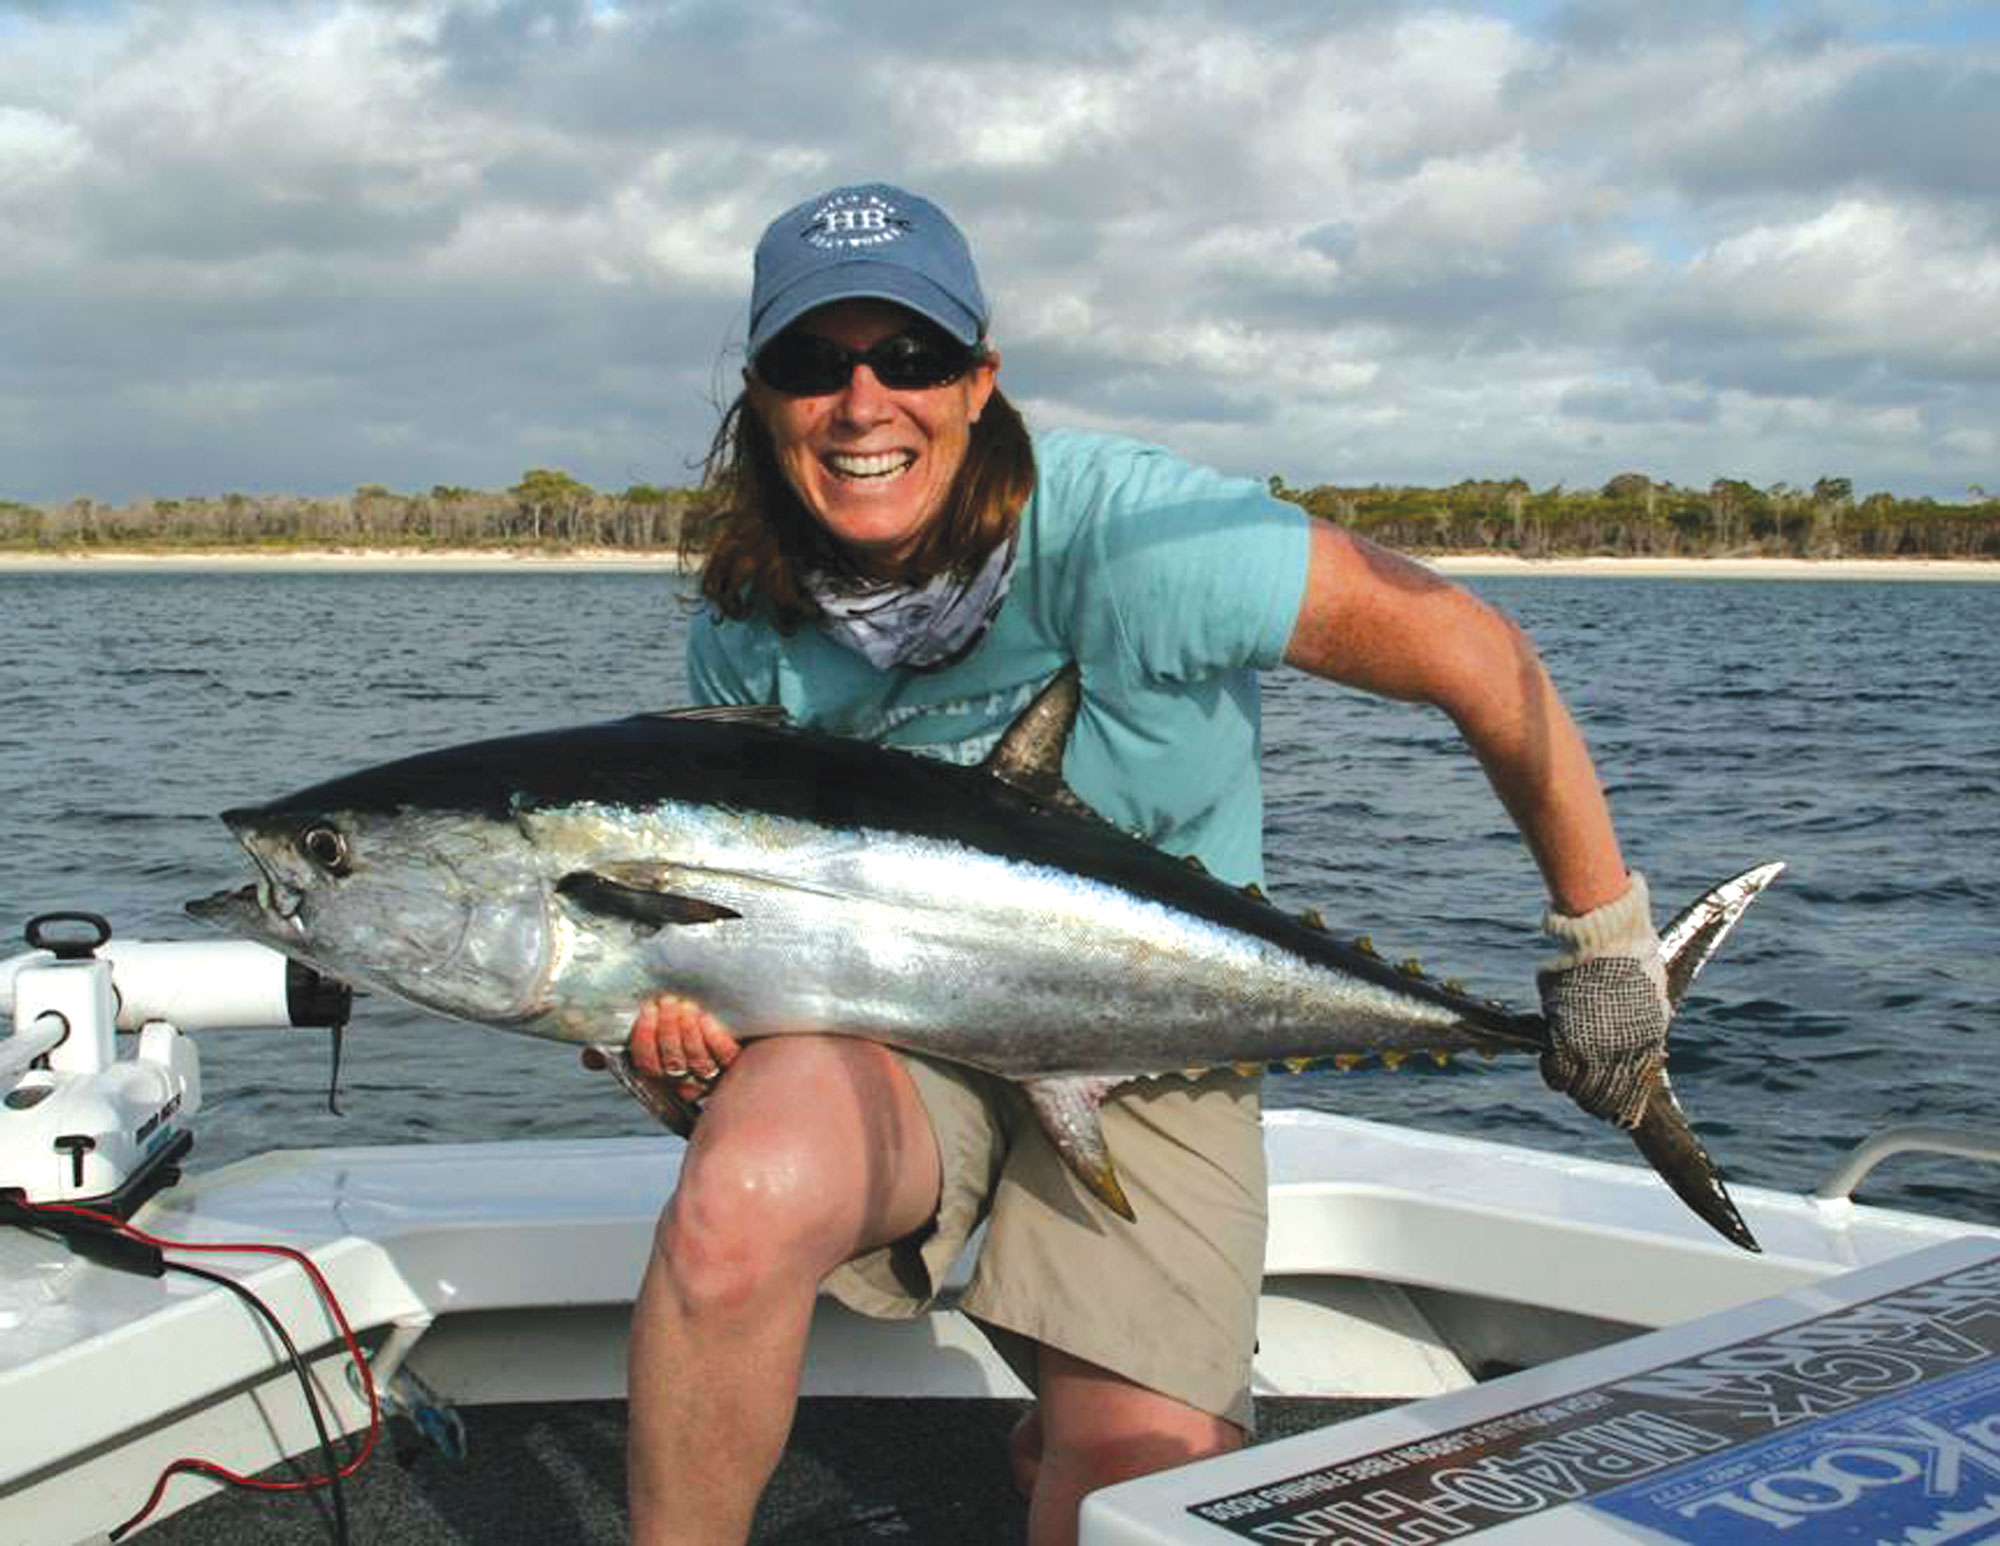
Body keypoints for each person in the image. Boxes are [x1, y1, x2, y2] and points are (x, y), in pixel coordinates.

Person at [614, 183, 1670, 1546]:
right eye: (815, 363)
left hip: (1160, 1026)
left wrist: (1605, 944)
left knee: (1122, 1491)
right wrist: (686, 1050)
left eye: (912, 358)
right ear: (762, 395)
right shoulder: (747, 629)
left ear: (980, 382)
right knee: (731, 1202)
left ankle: (1088, 1390)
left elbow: (1478, 655)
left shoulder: (1147, 543)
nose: (864, 400)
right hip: (899, 1023)